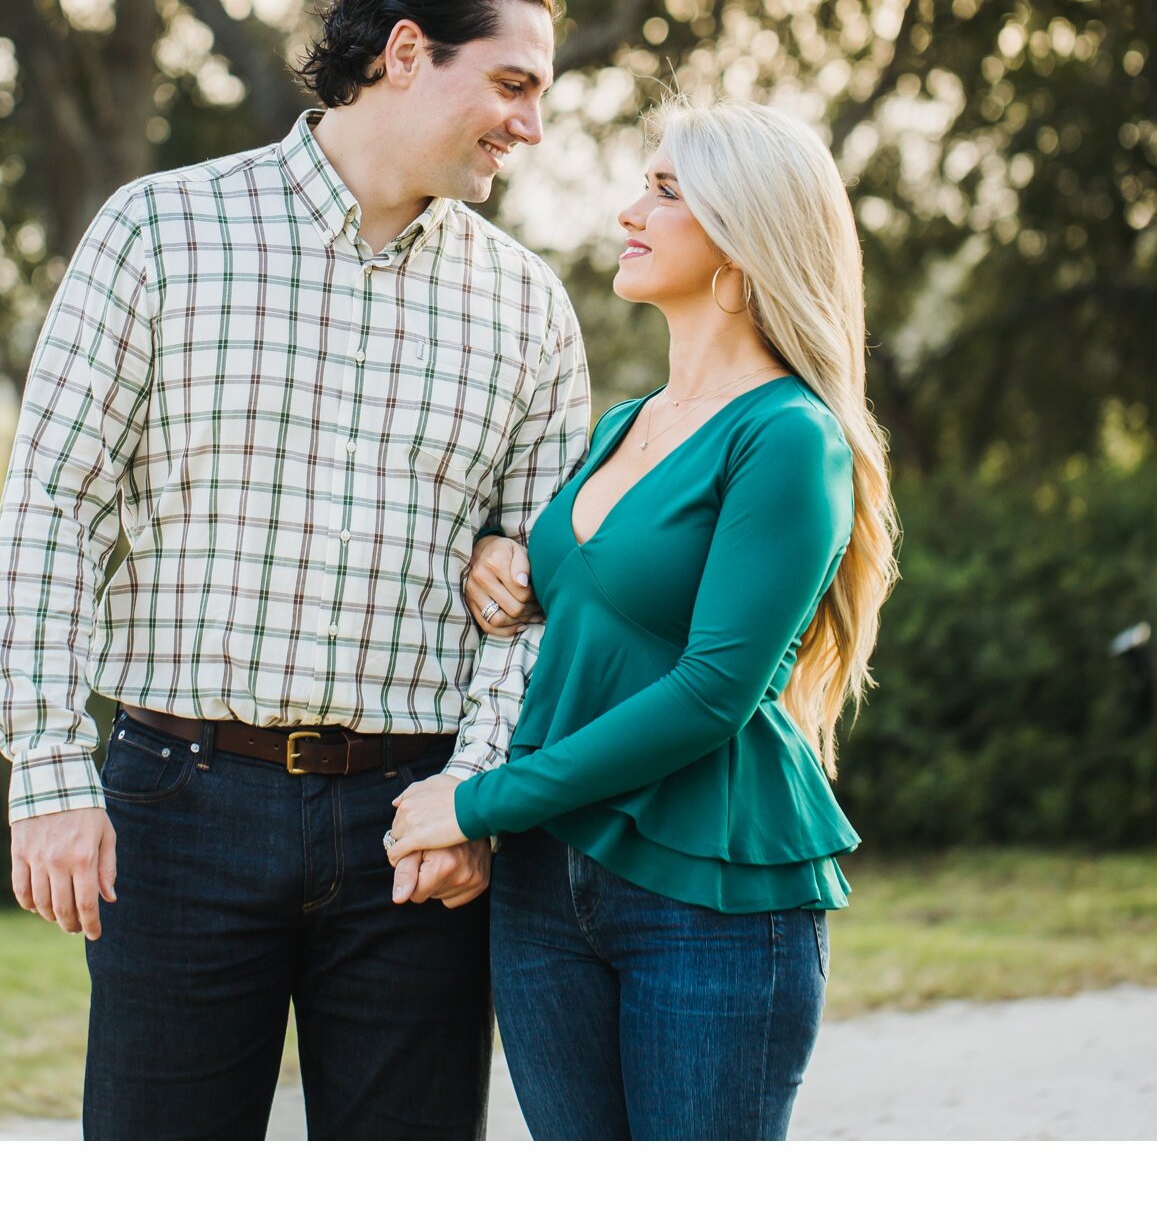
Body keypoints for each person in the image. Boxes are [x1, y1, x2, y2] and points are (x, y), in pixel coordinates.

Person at [0, 0, 593, 1140]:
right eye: (511, 85)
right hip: (177, 802)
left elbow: (541, 594)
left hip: (411, 827)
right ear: (406, 53)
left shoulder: (525, 307)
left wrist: (474, 792)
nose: (530, 126)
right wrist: (47, 772)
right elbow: (54, 507)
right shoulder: (159, 233)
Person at [385, 97, 899, 1141]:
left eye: (664, 191)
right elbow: (578, 606)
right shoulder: (625, 423)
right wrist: (506, 556)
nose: (628, 210)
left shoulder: (789, 438)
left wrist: (479, 802)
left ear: (742, 237)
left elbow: (711, 690)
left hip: (704, 897)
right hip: (541, 892)